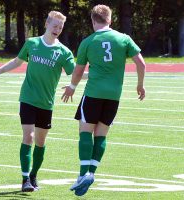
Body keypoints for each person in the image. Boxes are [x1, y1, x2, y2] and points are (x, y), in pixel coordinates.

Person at [0, 11, 75, 192]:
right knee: (28, 137)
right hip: (28, 97)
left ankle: (33, 175)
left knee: (40, 142)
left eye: (61, 27)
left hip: (46, 102)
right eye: (55, 26)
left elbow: (76, 72)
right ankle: (25, 180)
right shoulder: (32, 43)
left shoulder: (64, 52)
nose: (57, 29)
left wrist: (98, 74)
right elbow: (16, 62)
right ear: (46, 24)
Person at [61, 4, 146, 196]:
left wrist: (72, 87)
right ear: (110, 19)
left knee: (85, 132)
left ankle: (83, 174)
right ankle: (92, 172)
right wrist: (140, 85)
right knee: (101, 135)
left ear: (92, 20)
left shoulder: (88, 41)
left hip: (93, 94)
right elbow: (141, 63)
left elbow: (78, 70)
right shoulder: (124, 39)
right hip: (114, 96)